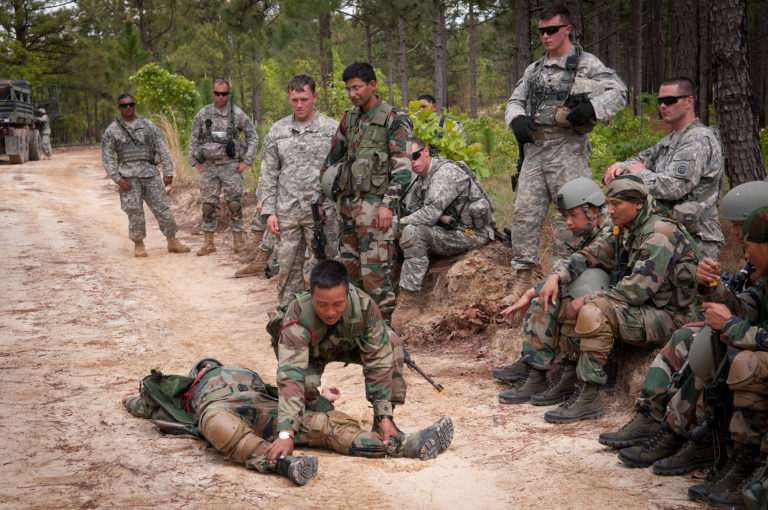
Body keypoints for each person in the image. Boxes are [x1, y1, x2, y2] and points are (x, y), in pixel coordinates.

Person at [598, 182, 768, 472]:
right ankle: (654, 419)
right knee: (685, 338)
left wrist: (730, 326)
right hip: (746, 334)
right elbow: (743, 307)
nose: (738, 239)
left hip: (753, 346)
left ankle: (694, 440)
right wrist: (710, 285)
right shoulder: (756, 270)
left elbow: (740, 321)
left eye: (742, 229)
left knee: (717, 349)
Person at [123, 359, 453, 486]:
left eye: (212, 363)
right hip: (217, 408)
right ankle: (283, 464)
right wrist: (131, 401)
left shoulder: (245, 374)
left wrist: (321, 400)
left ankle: (402, 444)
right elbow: (152, 405)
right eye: (205, 366)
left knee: (326, 425)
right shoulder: (186, 387)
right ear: (198, 373)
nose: (210, 366)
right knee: (218, 426)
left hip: (263, 405)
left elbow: (287, 394)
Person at [529, 175, 699, 424]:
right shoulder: (629, 229)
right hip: (649, 311)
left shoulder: (660, 234)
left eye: (615, 204)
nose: (609, 210)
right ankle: (570, 373)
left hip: (674, 318)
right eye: (607, 203)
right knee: (569, 301)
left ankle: (589, 396)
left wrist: (589, 298)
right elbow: (590, 254)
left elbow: (635, 291)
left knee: (594, 310)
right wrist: (556, 276)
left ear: (638, 203)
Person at [505, 4, 627, 300]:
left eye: (551, 30)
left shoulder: (587, 65)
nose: (545, 36)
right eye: (541, 31)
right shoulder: (534, 70)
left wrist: (593, 107)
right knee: (524, 215)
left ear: (567, 30)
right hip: (535, 150)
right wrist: (517, 118)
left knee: (570, 218)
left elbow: (619, 92)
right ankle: (521, 279)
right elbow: (514, 100)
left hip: (568, 150)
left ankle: (560, 279)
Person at [267, 259, 409, 462]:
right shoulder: (298, 316)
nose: (330, 312)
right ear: (312, 295)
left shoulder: (364, 306)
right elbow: (290, 374)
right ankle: (319, 406)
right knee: (304, 391)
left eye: (338, 304)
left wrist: (384, 414)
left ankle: (383, 425)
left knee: (392, 343)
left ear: (348, 292)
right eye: (322, 305)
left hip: (350, 346)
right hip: (311, 353)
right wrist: (285, 434)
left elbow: (379, 361)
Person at [494, 177, 611, 405]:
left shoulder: (610, 233)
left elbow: (581, 261)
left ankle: (555, 370)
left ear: (593, 210)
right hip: (598, 297)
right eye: (565, 216)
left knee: (565, 292)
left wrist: (545, 285)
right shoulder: (589, 235)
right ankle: (533, 366)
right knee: (547, 296)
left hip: (610, 300)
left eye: (573, 215)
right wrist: (532, 292)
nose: (568, 222)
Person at [318, 62, 413, 324]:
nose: (352, 94)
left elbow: (403, 169)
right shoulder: (349, 119)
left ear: (372, 85)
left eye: (357, 87)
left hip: (374, 210)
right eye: (348, 89)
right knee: (350, 272)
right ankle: (358, 331)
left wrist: (387, 205)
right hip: (347, 207)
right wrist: (320, 197)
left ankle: (383, 335)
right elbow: (332, 161)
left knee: (376, 275)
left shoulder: (394, 119)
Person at [235, 75, 339, 300]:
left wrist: (334, 206)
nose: (299, 105)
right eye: (294, 100)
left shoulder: (332, 130)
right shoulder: (278, 130)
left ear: (315, 97)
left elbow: (341, 171)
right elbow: (268, 174)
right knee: (287, 270)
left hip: (321, 214)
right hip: (286, 213)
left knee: (323, 271)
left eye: (304, 99)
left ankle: (322, 324)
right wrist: (269, 212)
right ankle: (288, 322)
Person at [603, 77, 724, 259]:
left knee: (689, 287)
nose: (663, 106)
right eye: (660, 101)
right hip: (670, 232)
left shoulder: (698, 139)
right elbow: (641, 159)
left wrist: (640, 174)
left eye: (670, 100)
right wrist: (619, 166)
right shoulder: (672, 140)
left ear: (689, 101)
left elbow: (674, 188)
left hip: (696, 239)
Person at [391, 137, 495, 327]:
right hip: (448, 231)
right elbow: (414, 209)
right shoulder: (420, 180)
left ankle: (409, 303)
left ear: (426, 152)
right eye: (408, 159)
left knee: (411, 232)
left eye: (415, 156)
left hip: (470, 233)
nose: (412, 162)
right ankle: (390, 292)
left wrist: (397, 224)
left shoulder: (444, 174)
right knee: (399, 232)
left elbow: (429, 215)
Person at [101, 94, 190, 258]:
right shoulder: (112, 131)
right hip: (128, 179)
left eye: (131, 104)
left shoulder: (148, 126)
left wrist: (168, 172)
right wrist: (118, 179)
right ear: (119, 108)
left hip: (151, 175)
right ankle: (139, 244)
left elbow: (162, 148)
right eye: (124, 105)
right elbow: (107, 158)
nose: (128, 107)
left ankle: (172, 241)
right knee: (134, 212)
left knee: (163, 209)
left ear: (135, 105)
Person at [189, 79, 259, 257]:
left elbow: (253, 137)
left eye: (224, 94)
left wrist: (246, 162)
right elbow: (194, 139)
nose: (220, 97)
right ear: (212, 93)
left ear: (229, 94)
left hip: (231, 166)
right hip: (209, 167)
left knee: (234, 204)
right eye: (217, 93)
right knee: (208, 206)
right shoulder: (203, 114)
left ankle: (238, 242)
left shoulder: (238, 114)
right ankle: (208, 243)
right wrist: (195, 163)